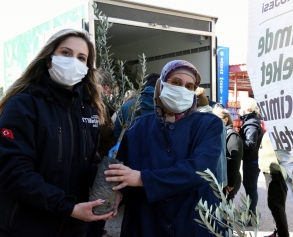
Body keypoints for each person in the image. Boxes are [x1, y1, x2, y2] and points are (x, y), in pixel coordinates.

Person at [0, 29, 114, 237]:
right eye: (66, 53)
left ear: (86, 67)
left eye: (81, 58)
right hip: (23, 229)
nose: (73, 61)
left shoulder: (88, 110)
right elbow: (14, 173)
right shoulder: (23, 105)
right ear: (49, 59)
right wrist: (68, 207)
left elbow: (88, 164)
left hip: (73, 228)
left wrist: (108, 186)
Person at [104, 60, 225, 236]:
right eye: (176, 82)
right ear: (161, 85)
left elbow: (200, 170)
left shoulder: (209, 124)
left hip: (193, 223)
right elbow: (123, 170)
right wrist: (117, 194)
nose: (183, 89)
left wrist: (142, 179)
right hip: (147, 223)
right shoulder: (138, 127)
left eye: (189, 86)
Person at [259, 129, 289, 237]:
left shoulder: (281, 125)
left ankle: (282, 234)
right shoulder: (273, 124)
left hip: (277, 171)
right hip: (270, 170)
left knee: (276, 205)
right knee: (274, 205)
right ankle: (278, 232)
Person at [113, 73, 159, 142]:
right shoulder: (166, 109)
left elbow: (117, 135)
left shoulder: (126, 106)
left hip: (128, 150)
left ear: (145, 84)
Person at [238, 97, 264, 214]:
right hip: (252, 159)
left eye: (241, 107)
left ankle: (251, 215)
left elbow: (250, 143)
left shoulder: (251, 124)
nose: (239, 109)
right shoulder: (252, 121)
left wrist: (237, 141)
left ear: (247, 108)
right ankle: (250, 212)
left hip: (252, 160)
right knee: (249, 186)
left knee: (250, 187)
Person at [213, 105, 243, 201]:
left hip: (230, 179)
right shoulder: (221, 133)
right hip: (224, 178)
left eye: (217, 117)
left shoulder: (231, 135)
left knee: (225, 210)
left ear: (225, 119)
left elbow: (235, 159)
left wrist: (230, 183)